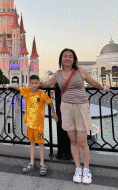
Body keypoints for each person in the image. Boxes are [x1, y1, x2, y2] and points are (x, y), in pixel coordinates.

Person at [39, 48, 110, 184]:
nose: (67, 58)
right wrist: (32, 88)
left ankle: (86, 169)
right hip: (66, 108)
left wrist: (103, 87)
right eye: (65, 56)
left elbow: (92, 82)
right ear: (61, 59)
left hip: (81, 106)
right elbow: (46, 84)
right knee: (73, 140)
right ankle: (78, 167)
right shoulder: (57, 74)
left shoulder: (80, 71)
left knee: (82, 141)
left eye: (70, 56)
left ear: (74, 59)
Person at [7, 75, 58, 176]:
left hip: (38, 125)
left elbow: (50, 102)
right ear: (29, 84)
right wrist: (10, 86)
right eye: (32, 83)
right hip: (30, 124)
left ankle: (42, 164)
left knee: (41, 144)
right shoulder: (27, 91)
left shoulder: (41, 93)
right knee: (32, 143)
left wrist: (54, 113)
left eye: (36, 83)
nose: (34, 85)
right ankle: (32, 163)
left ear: (39, 84)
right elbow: (19, 88)